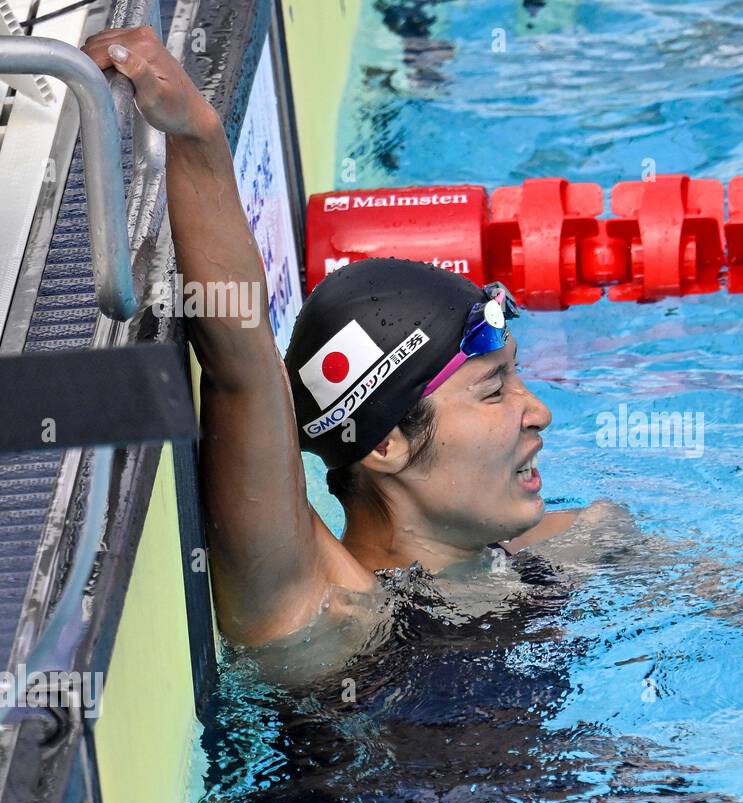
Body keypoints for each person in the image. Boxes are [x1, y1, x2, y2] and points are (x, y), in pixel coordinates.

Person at [79, 26, 616, 650]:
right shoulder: (328, 618)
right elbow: (244, 364)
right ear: (386, 443)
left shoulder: (580, 545)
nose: (540, 413)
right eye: (494, 392)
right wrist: (196, 134)